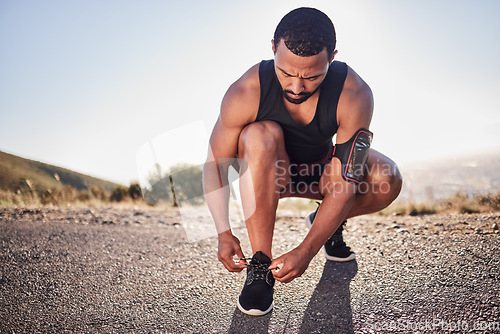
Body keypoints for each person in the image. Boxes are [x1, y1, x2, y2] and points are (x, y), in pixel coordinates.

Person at [203, 7, 402, 316]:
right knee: (258, 135)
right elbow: (216, 164)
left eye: (312, 77)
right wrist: (223, 233)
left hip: (322, 171)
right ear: (273, 48)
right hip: (267, 174)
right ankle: (260, 265)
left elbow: (347, 179)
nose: (297, 87)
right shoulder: (245, 91)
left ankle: (327, 222)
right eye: (286, 73)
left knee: (388, 179)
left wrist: (307, 249)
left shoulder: (355, 93)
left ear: (332, 57)